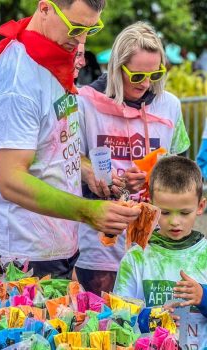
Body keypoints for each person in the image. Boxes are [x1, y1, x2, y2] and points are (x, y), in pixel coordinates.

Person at [0, 0, 141, 279]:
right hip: (24, 250)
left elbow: (53, 142)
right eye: (76, 28)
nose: (81, 40)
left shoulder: (53, 58)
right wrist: (89, 212)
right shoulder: (17, 82)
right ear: (45, 8)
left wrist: (88, 172)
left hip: (57, 241)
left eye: (91, 29)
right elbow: (11, 180)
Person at [75, 22, 190, 295]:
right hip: (100, 244)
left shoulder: (169, 105)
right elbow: (69, 160)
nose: (147, 83)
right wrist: (96, 177)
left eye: (156, 73)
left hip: (156, 243)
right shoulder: (85, 102)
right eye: (137, 76)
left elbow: (183, 169)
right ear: (116, 68)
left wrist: (157, 174)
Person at [114, 156, 207, 348]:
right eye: (165, 212)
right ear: (151, 204)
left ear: (200, 207)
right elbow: (118, 316)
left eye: (184, 212)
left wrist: (202, 297)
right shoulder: (136, 258)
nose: (174, 221)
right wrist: (154, 317)